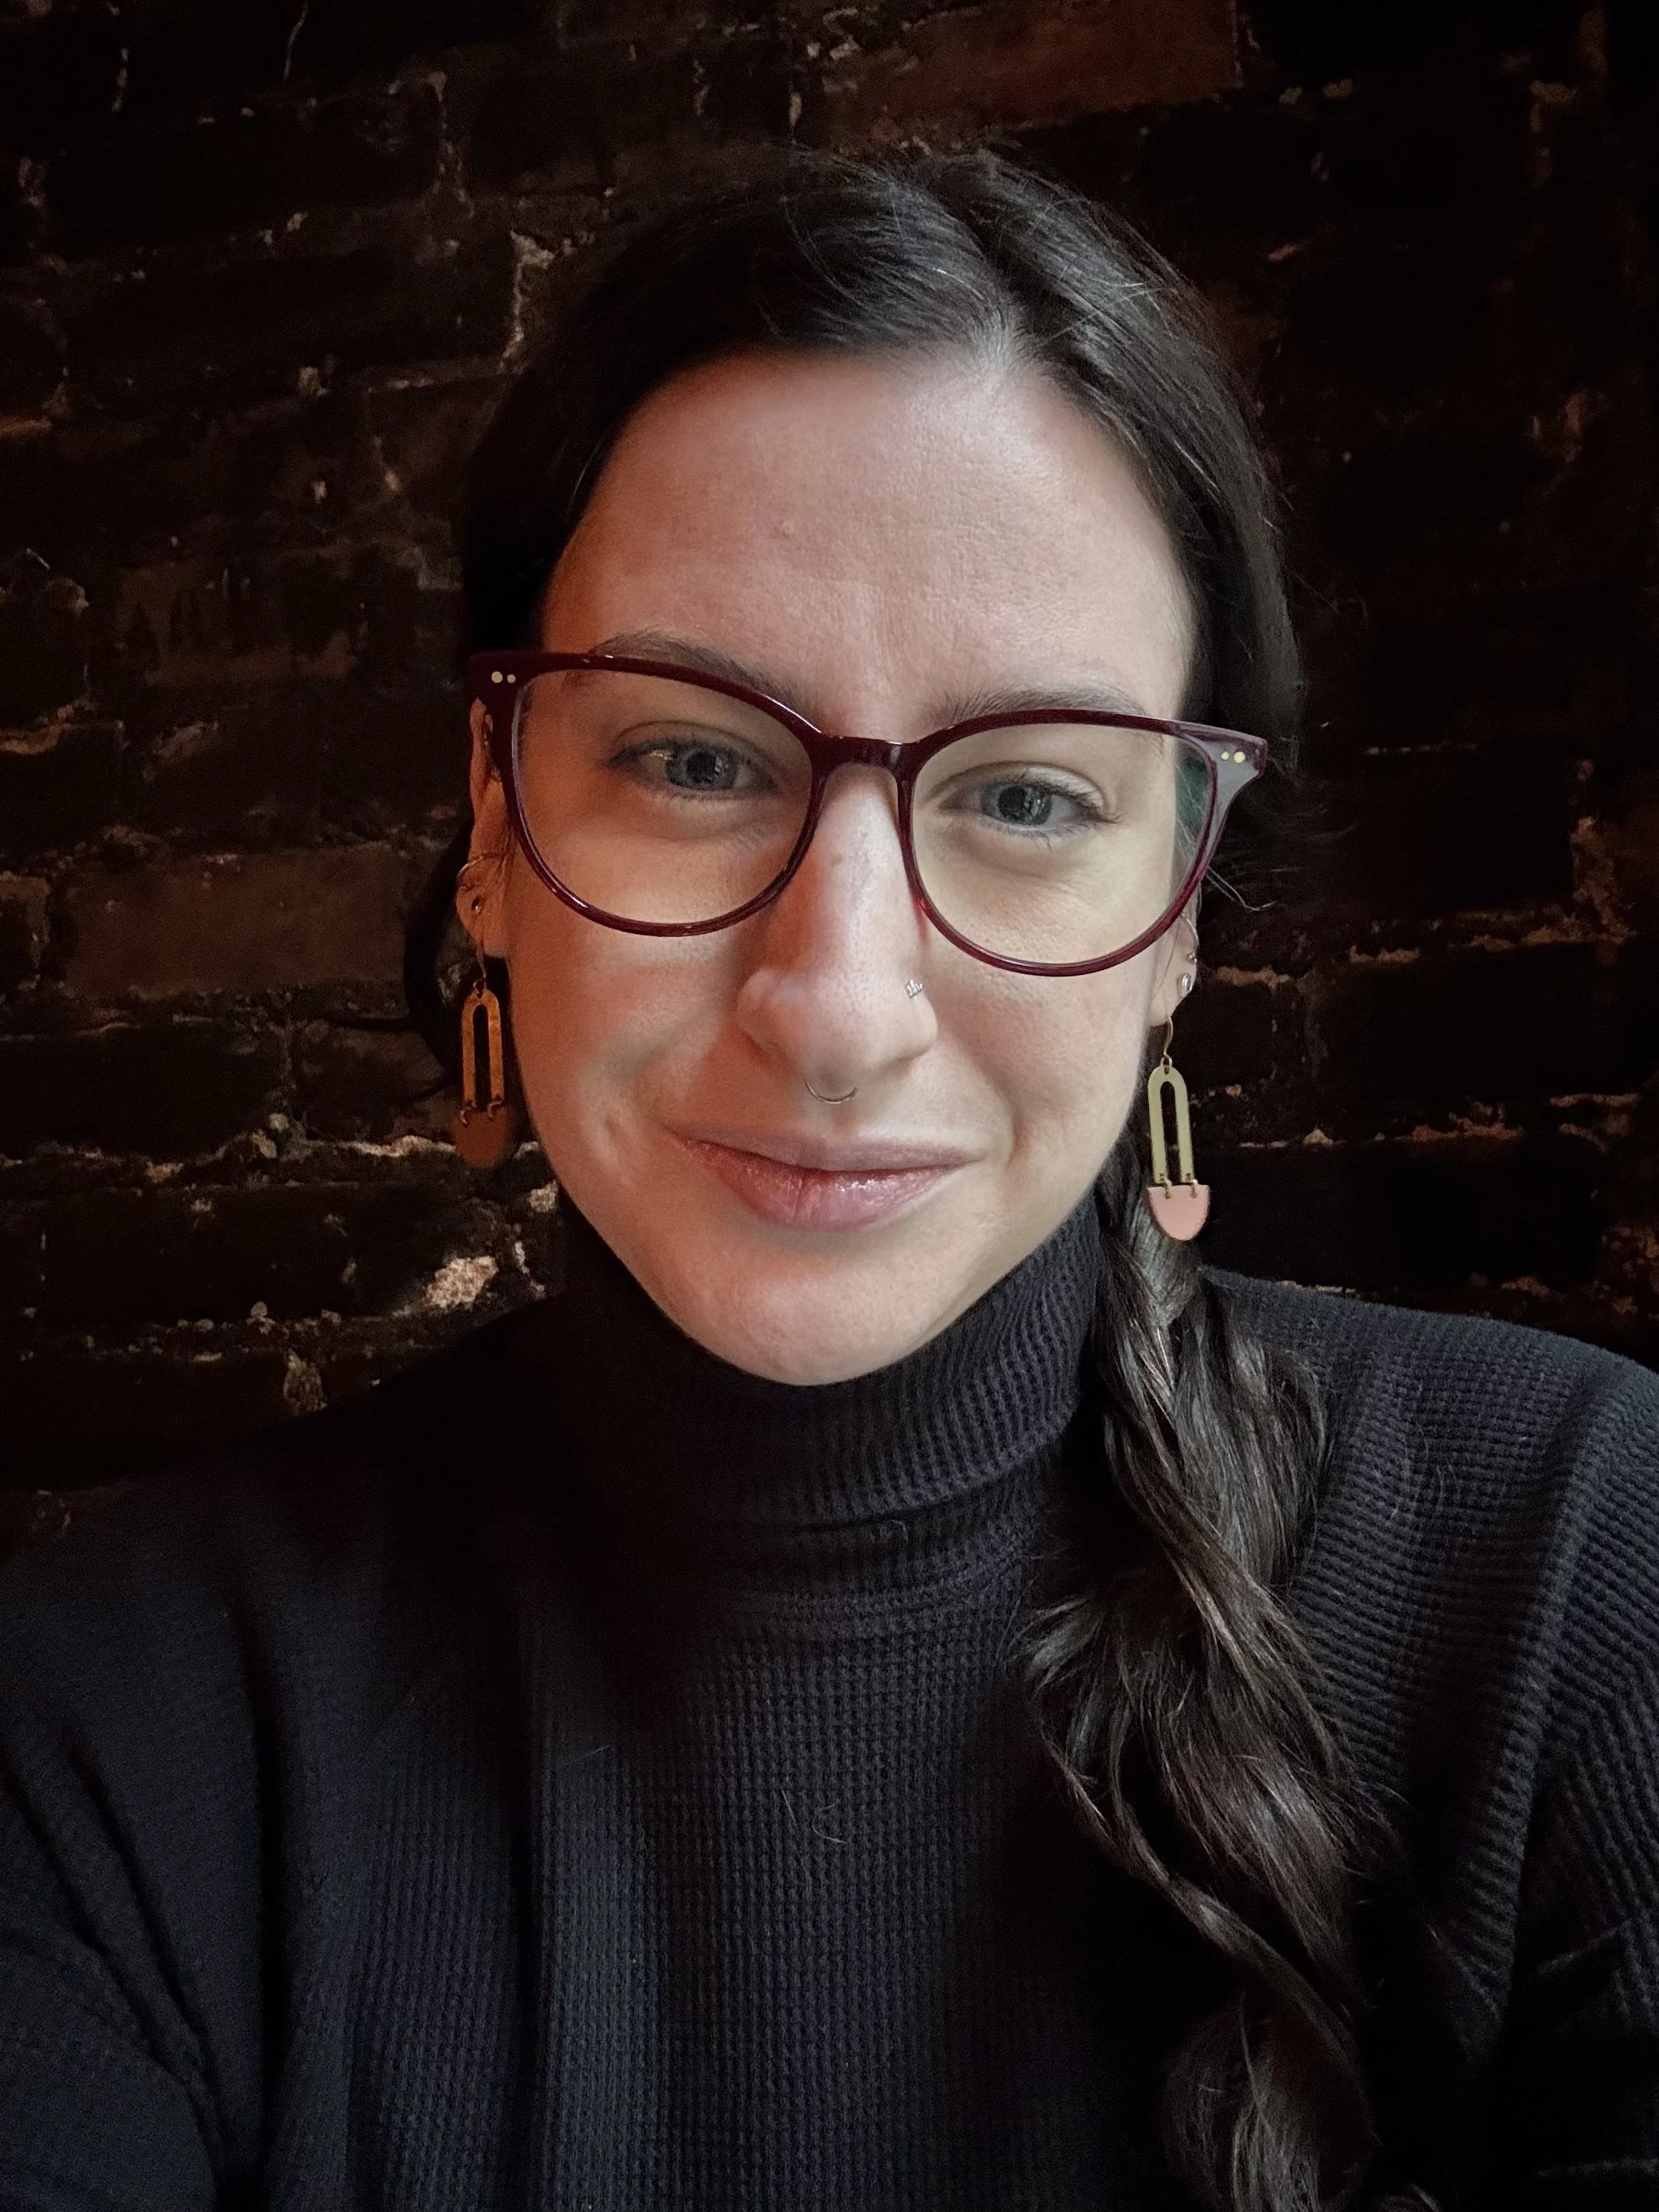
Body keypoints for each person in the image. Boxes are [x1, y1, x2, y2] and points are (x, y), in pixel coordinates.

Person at [1, 150, 1655, 2212]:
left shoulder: (1586, 1573)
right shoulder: (117, 1718)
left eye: (1032, 793)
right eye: (694, 758)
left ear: (1176, 920)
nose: (839, 1003)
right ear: (496, 827)